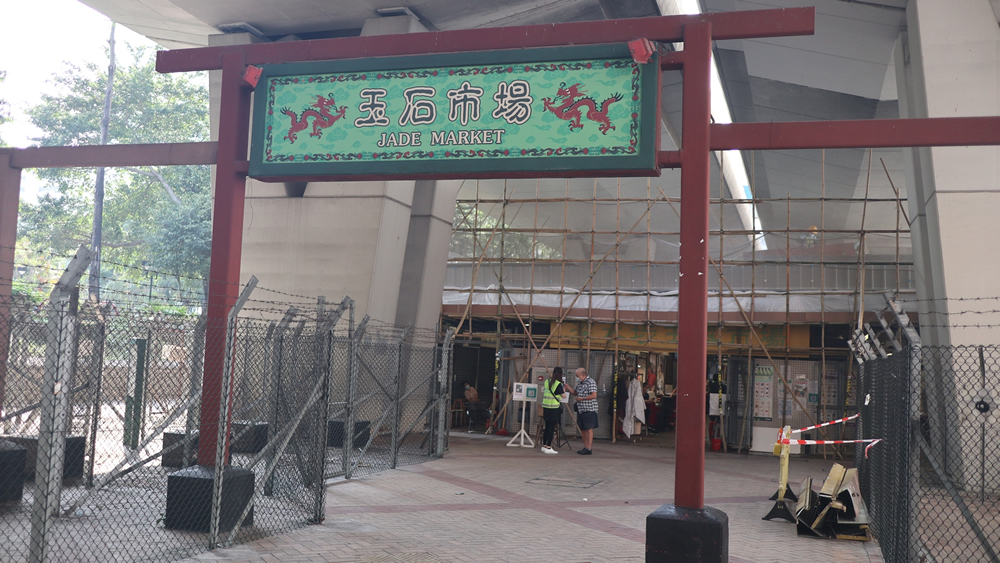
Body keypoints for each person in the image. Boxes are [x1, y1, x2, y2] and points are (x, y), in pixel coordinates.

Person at [568, 367, 598, 455]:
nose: (577, 377)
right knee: (583, 429)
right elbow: (575, 392)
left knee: (589, 429)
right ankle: (585, 447)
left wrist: (583, 398)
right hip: (581, 409)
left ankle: (589, 448)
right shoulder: (580, 383)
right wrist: (568, 387)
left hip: (589, 409)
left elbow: (594, 395)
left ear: (583, 375)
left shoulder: (591, 382)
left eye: (577, 376)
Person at [540, 367, 566, 454]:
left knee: (546, 427)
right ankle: (548, 446)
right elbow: (563, 396)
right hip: (554, 408)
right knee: (552, 427)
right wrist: (564, 390)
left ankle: (544, 445)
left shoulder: (547, 381)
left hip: (546, 407)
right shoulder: (558, 384)